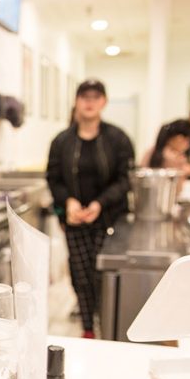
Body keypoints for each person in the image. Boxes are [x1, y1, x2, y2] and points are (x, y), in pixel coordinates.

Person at [46, 79, 134, 339]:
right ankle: (87, 328)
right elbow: (53, 178)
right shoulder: (62, 142)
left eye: (96, 97)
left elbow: (125, 179)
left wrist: (99, 204)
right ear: (76, 101)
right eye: (85, 96)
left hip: (110, 219)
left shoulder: (118, 139)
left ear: (104, 102)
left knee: (103, 277)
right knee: (80, 275)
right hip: (75, 221)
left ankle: (108, 325)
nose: (89, 102)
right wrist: (69, 202)